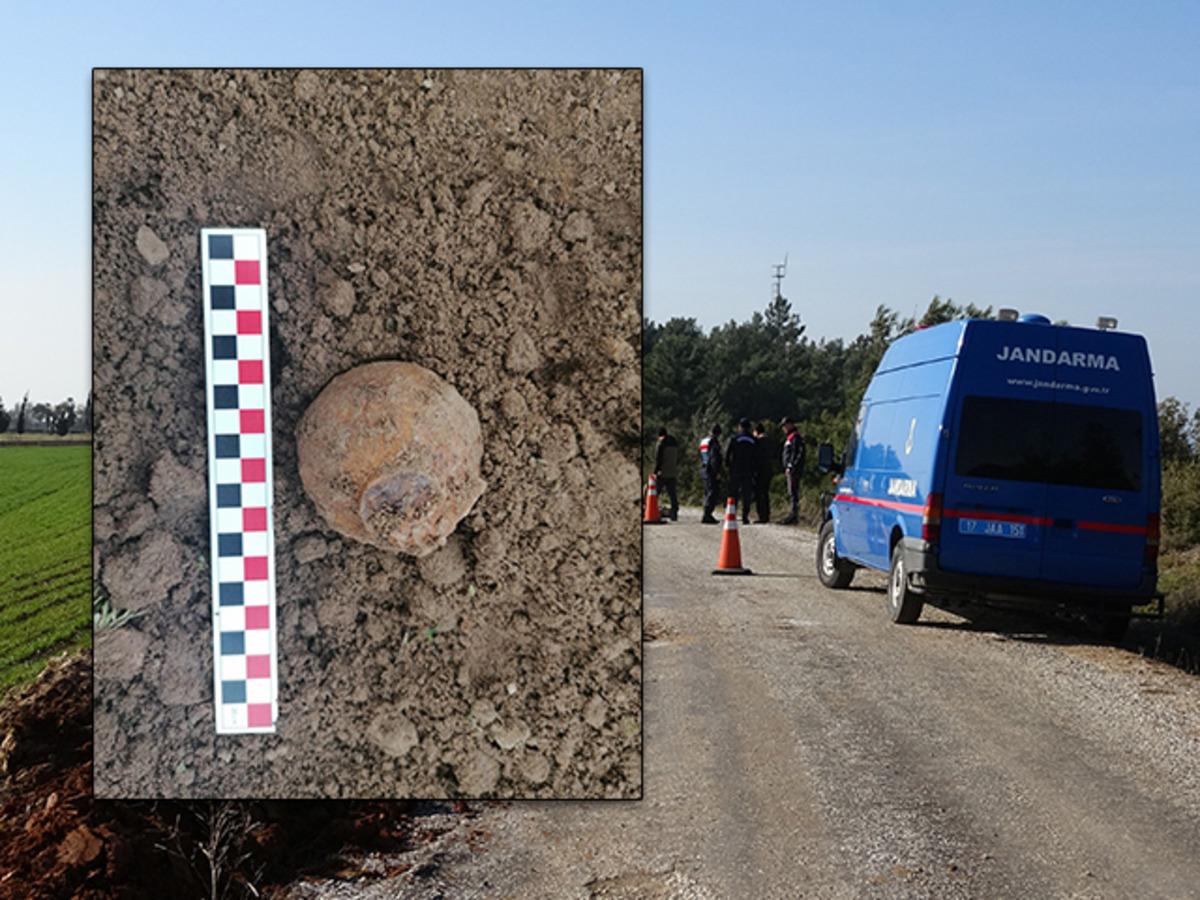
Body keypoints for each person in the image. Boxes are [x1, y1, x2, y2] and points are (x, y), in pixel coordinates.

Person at [725, 418, 757, 525]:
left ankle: (731, 514)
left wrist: (728, 466)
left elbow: (728, 454)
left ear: (740, 427)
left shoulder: (734, 438)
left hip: (735, 469)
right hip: (748, 470)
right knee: (746, 494)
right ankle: (745, 516)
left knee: (733, 493)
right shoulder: (753, 440)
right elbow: (756, 456)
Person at [779, 416, 806, 524]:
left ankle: (794, 515)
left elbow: (796, 453)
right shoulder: (790, 437)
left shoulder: (795, 437)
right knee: (791, 491)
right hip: (790, 468)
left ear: (789, 424)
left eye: (784, 426)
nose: (783, 429)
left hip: (793, 469)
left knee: (793, 491)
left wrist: (791, 465)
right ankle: (792, 513)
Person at [654, 426, 680, 521]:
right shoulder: (674, 442)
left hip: (662, 472)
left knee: (655, 493)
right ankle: (674, 512)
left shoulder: (661, 443)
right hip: (673, 471)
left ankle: (652, 510)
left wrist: (655, 471)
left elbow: (658, 459)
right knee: (672, 493)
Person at [699, 424, 723, 523]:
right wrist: (717, 472)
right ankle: (707, 514)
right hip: (711, 470)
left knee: (707, 491)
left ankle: (706, 512)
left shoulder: (703, 441)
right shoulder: (713, 442)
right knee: (712, 492)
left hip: (703, 468)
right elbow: (714, 458)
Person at [752, 422, 772, 523]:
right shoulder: (769, 441)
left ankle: (762, 516)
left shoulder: (759, 442)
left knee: (760, 494)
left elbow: (756, 456)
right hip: (768, 470)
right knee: (765, 493)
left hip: (760, 470)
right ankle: (766, 515)